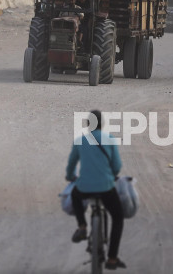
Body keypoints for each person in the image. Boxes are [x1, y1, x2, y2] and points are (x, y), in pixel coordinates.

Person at [66, 110, 125, 270]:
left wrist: (70, 176)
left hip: (84, 187)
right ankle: (112, 258)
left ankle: (82, 227)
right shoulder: (110, 139)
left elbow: (71, 165)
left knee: (75, 194)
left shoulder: (80, 140)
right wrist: (110, 176)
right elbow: (117, 166)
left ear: (87, 124)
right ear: (102, 124)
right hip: (106, 188)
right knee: (118, 217)